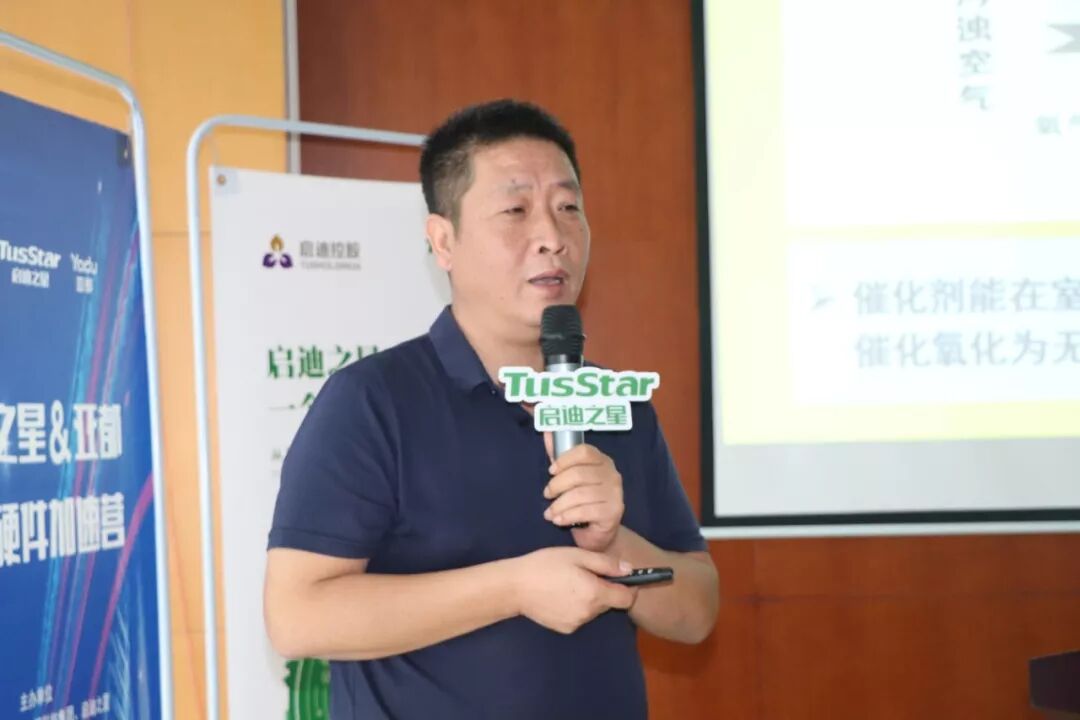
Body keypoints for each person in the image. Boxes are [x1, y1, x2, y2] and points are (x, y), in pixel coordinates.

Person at [263, 99, 719, 720]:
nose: (553, 238)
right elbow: (296, 617)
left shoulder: (615, 400)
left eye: (568, 207)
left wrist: (613, 541)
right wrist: (514, 588)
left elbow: (697, 609)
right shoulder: (372, 402)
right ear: (443, 240)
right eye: (515, 210)